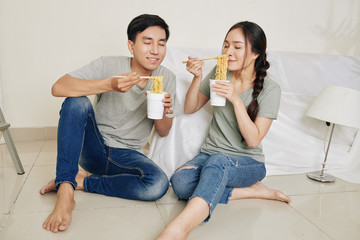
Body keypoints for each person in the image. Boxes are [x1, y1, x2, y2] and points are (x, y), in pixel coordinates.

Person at [39, 14, 176, 233]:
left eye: (161, 43)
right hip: (94, 147)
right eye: (147, 42)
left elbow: (164, 130)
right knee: (77, 101)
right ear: (131, 45)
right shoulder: (109, 64)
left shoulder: (166, 77)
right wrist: (110, 84)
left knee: (158, 184)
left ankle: (83, 182)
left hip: (126, 156)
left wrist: (162, 111)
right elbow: (58, 87)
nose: (155, 50)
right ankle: (65, 190)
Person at [156, 21, 291, 240]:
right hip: (210, 155)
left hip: (247, 162)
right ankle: (252, 191)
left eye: (237, 47)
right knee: (180, 183)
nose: (228, 52)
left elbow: (253, 140)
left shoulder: (270, 89)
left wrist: (236, 100)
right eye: (225, 45)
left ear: (256, 52)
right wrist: (197, 77)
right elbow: (190, 108)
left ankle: (178, 229)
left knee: (217, 162)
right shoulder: (220, 72)